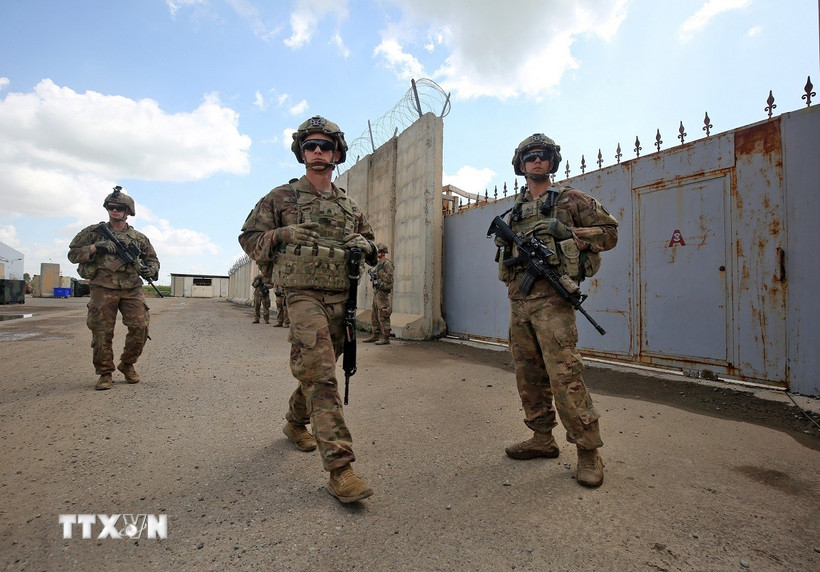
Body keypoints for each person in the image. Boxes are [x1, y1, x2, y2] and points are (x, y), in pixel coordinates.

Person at [239, 115, 378, 503]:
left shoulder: (348, 204)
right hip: (301, 297)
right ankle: (341, 469)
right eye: (310, 146)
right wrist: (283, 234)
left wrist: (363, 245)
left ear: (337, 153)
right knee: (321, 375)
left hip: (341, 299)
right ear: (302, 153)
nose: (318, 152)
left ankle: (294, 421)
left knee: (318, 371)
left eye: (325, 146)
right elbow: (248, 238)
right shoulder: (281, 197)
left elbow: (372, 245)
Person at [494, 133, 618, 487]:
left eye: (543, 155)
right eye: (529, 156)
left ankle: (588, 450)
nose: (536, 161)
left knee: (564, 374)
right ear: (520, 165)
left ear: (552, 162)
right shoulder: (514, 209)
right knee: (527, 373)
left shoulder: (570, 199)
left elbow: (610, 233)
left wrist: (568, 233)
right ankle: (541, 438)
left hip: (553, 301)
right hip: (519, 300)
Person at [67, 186, 160, 391]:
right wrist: (95, 247)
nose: (114, 211)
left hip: (132, 288)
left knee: (140, 327)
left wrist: (150, 270)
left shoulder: (139, 238)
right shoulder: (93, 233)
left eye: (119, 208)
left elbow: (152, 259)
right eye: (111, 207)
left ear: (128, 211)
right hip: (102, 287)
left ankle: (127, 364)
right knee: (101, 332)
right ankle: (105, 373)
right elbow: (72, 255)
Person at [363, 243, 393, 345]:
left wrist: (379, 273)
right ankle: (375, 335)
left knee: (383, 315)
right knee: (374, 315)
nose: (377, 254)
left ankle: (386, 337)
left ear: (383, 253)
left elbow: (389, 279)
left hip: (383, 293)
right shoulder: (378, 264)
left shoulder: (386, 264)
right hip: (377, 292)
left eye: (379, 252)